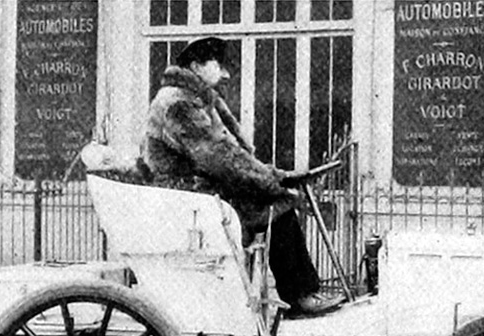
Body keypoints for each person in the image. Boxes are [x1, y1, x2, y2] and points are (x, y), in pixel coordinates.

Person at [143, 37, 343, 316]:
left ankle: (301, 293)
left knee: (278, 204)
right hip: (189, 199)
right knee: (278, 209)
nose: (225, 74)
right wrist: (270, 180)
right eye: (218, 65)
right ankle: (300, 296)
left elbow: (232, 155)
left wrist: (273, 176)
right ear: (196, 65)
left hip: (200, 194)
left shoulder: (193, 98)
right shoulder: (179, 104)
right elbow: (219, 158)